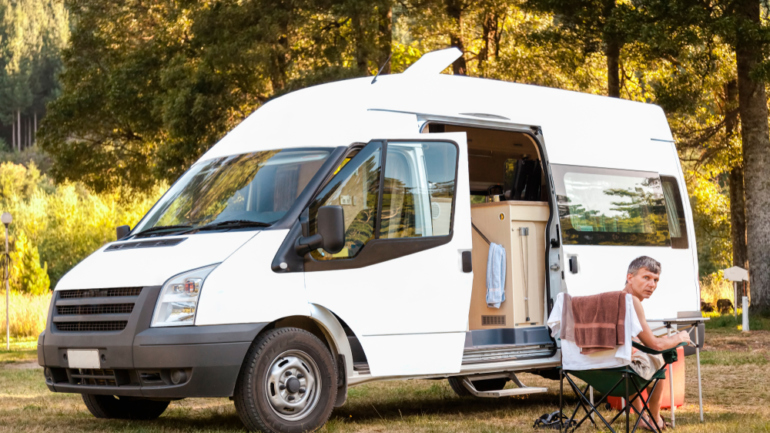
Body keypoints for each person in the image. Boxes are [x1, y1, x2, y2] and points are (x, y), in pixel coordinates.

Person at [623, 256, 692, 431]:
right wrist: (679, 337)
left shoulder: (611, 300)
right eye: (646, 277)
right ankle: (654, 418)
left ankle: (641, 417)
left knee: (634, 357)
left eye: (655, 280)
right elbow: (655, 345)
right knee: (659, 359)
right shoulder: (632, 301)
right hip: (622, 371)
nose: (652, 285)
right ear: (630, 277)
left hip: (595, 368)